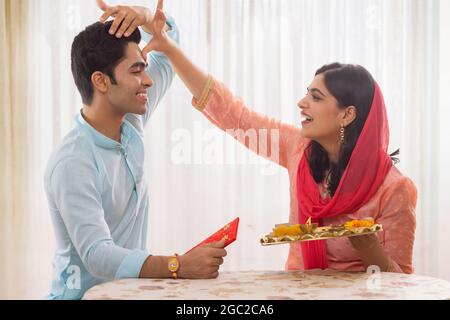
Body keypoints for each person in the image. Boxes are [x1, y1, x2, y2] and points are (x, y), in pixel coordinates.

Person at [138, 0, 417, 274]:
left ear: (347, 115)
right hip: (296, 291)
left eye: (315, 97)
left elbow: (402, 281)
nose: (301, 103)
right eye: (307, 93)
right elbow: (235, 116)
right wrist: (170, 51)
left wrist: (371, 251)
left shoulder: (394, 189)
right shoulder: (299, 149)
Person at [44, 0, 226, 300]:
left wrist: (146, 17)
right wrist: (178, 265)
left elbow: (169, 51)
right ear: (101, 81)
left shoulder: (130, 123)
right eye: (137, 70)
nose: (149, 80)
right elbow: (96, 253)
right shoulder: (72, 161)